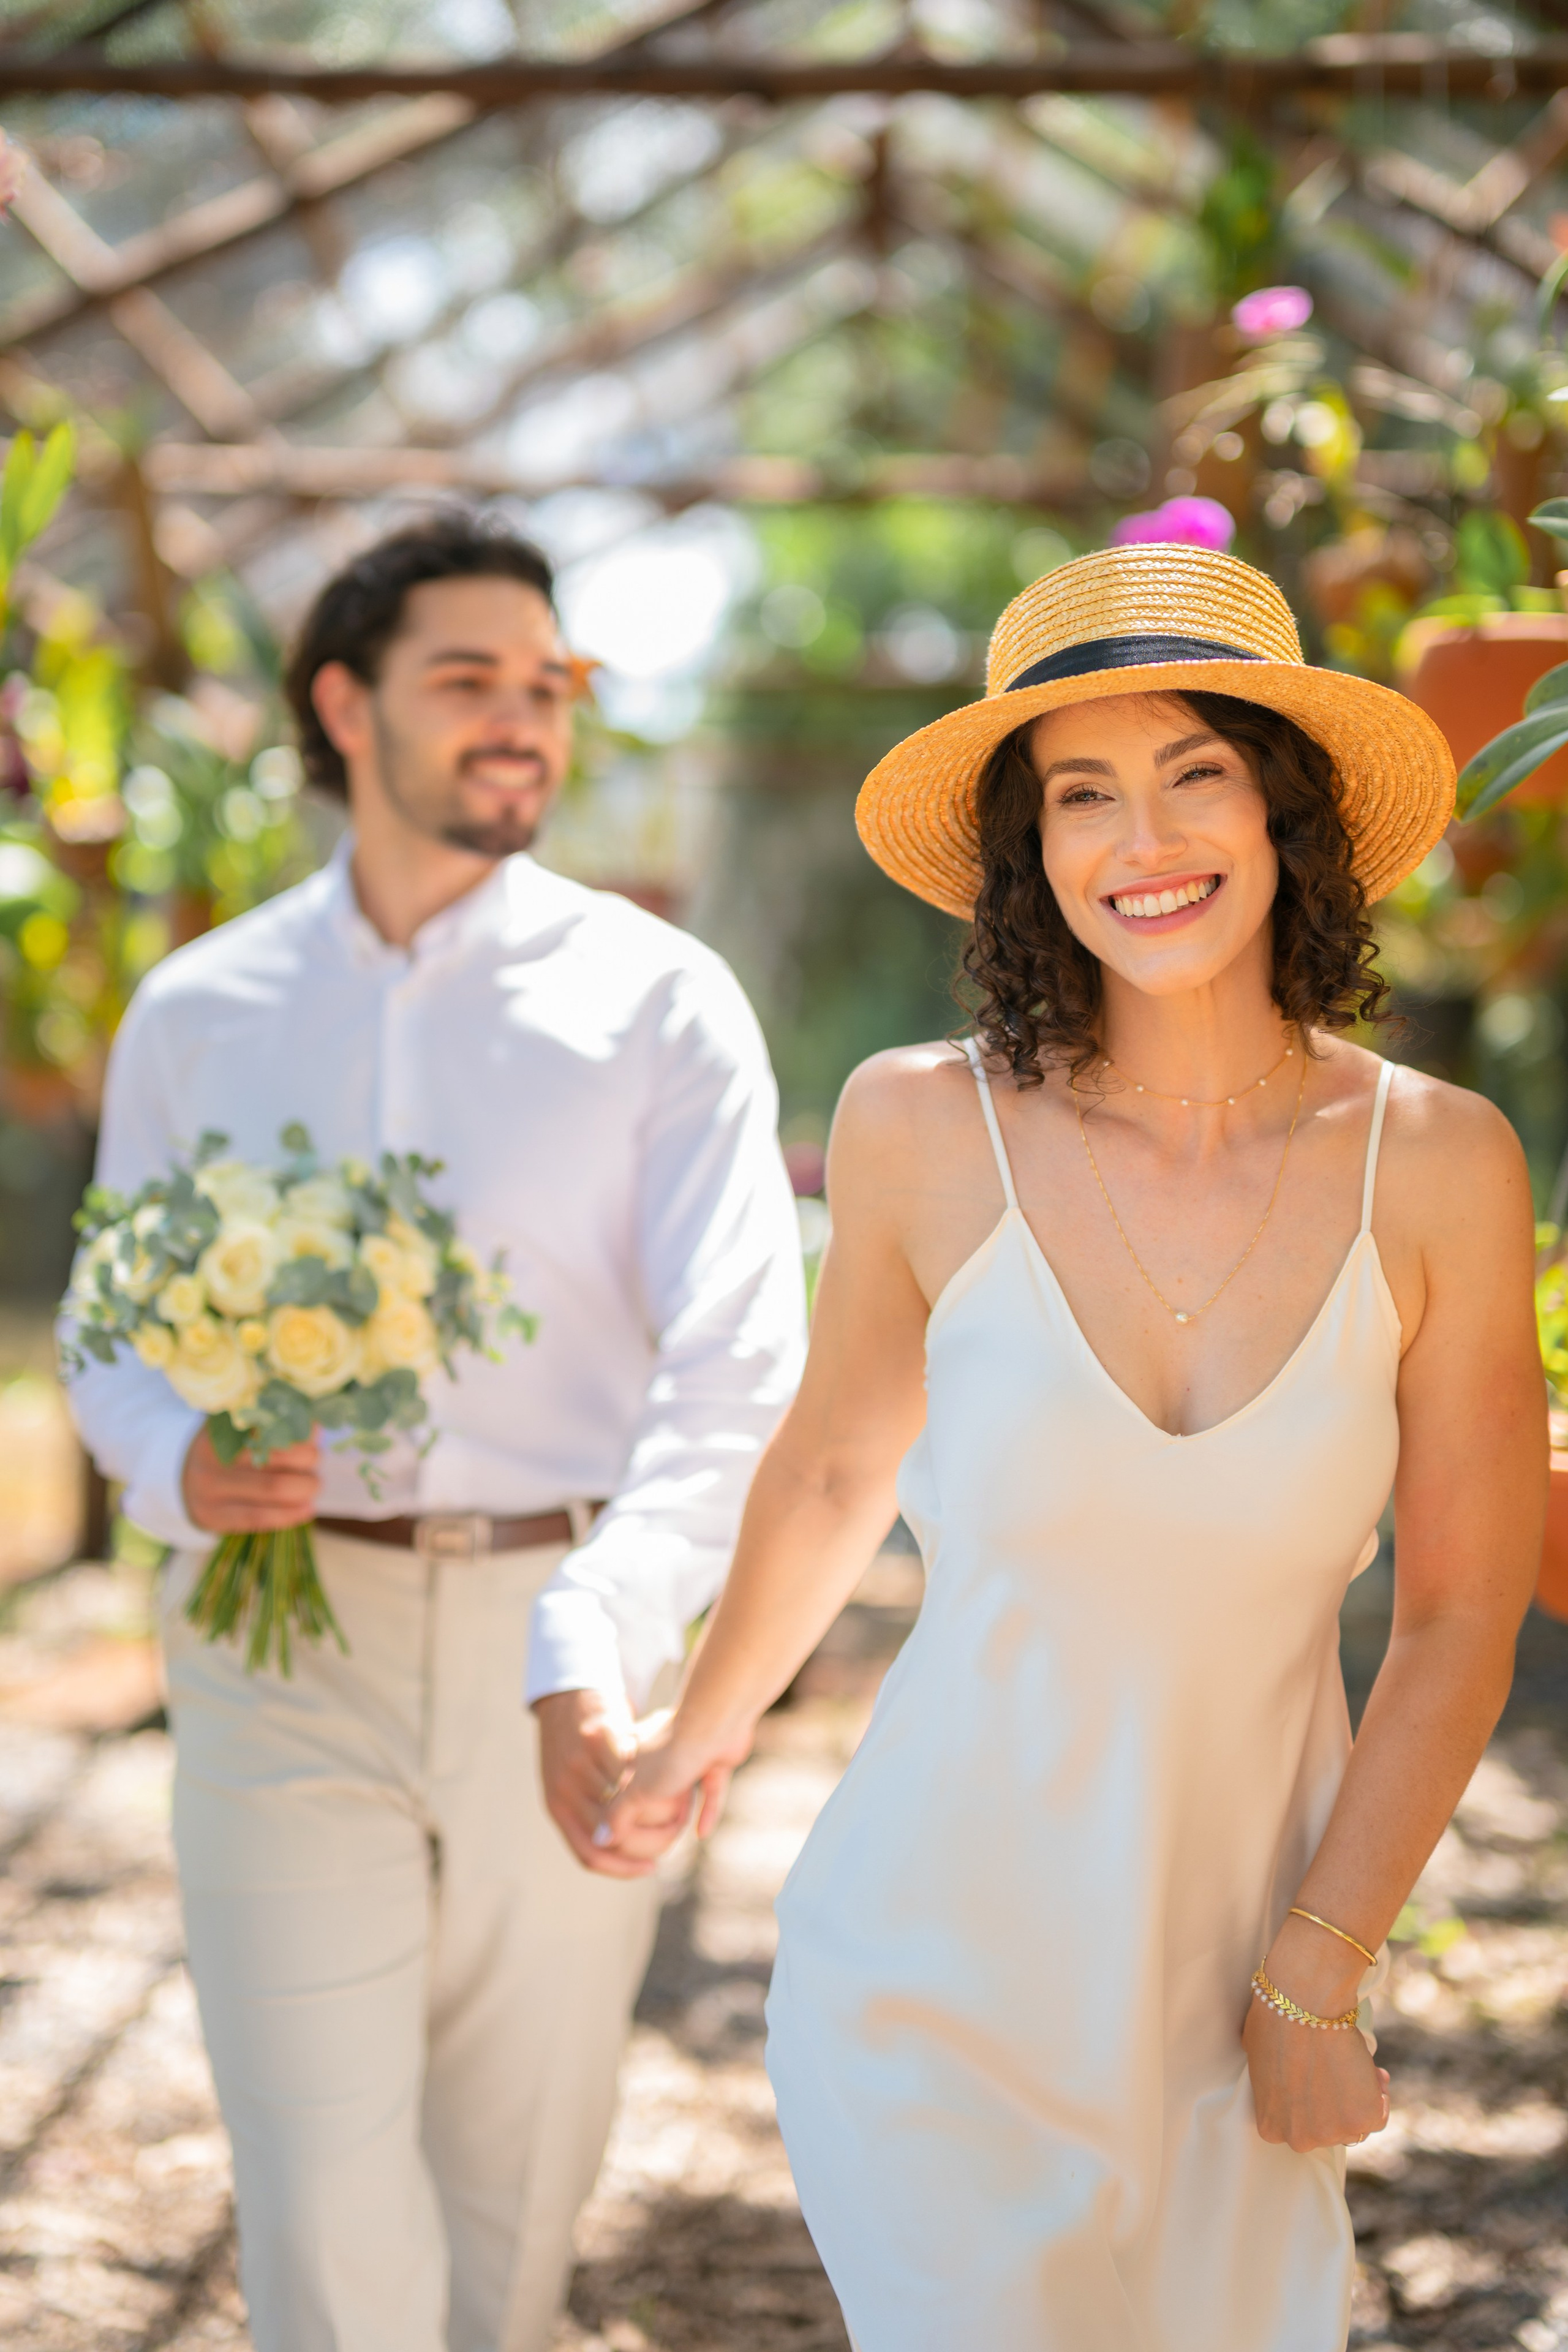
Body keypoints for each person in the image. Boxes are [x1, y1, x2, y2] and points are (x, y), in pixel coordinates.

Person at [584, 542, 1545, 2350]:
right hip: (930, 1977)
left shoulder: (1436, 1165)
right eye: (1081, 796)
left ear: (1283, 816)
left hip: (1247, 1989)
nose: (1142, 839)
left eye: (1194, 774)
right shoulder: (921, 1126)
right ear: (1031, 851)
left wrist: (1322, 1972)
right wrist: (686, 1745)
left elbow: (1461, 1616)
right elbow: (830, 1472)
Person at [64, 512, 805, 2352]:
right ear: (346, 702)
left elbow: (740, 1366)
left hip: (561, 1649)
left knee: (517, 2182)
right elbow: (104, 1327)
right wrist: (176, 1463)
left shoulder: (661, 1005)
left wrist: (612, 1623)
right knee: (315, 2174)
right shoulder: (196, 1012)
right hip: (271, 1637)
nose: (520, 723)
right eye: (468, 680)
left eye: (545, 688)